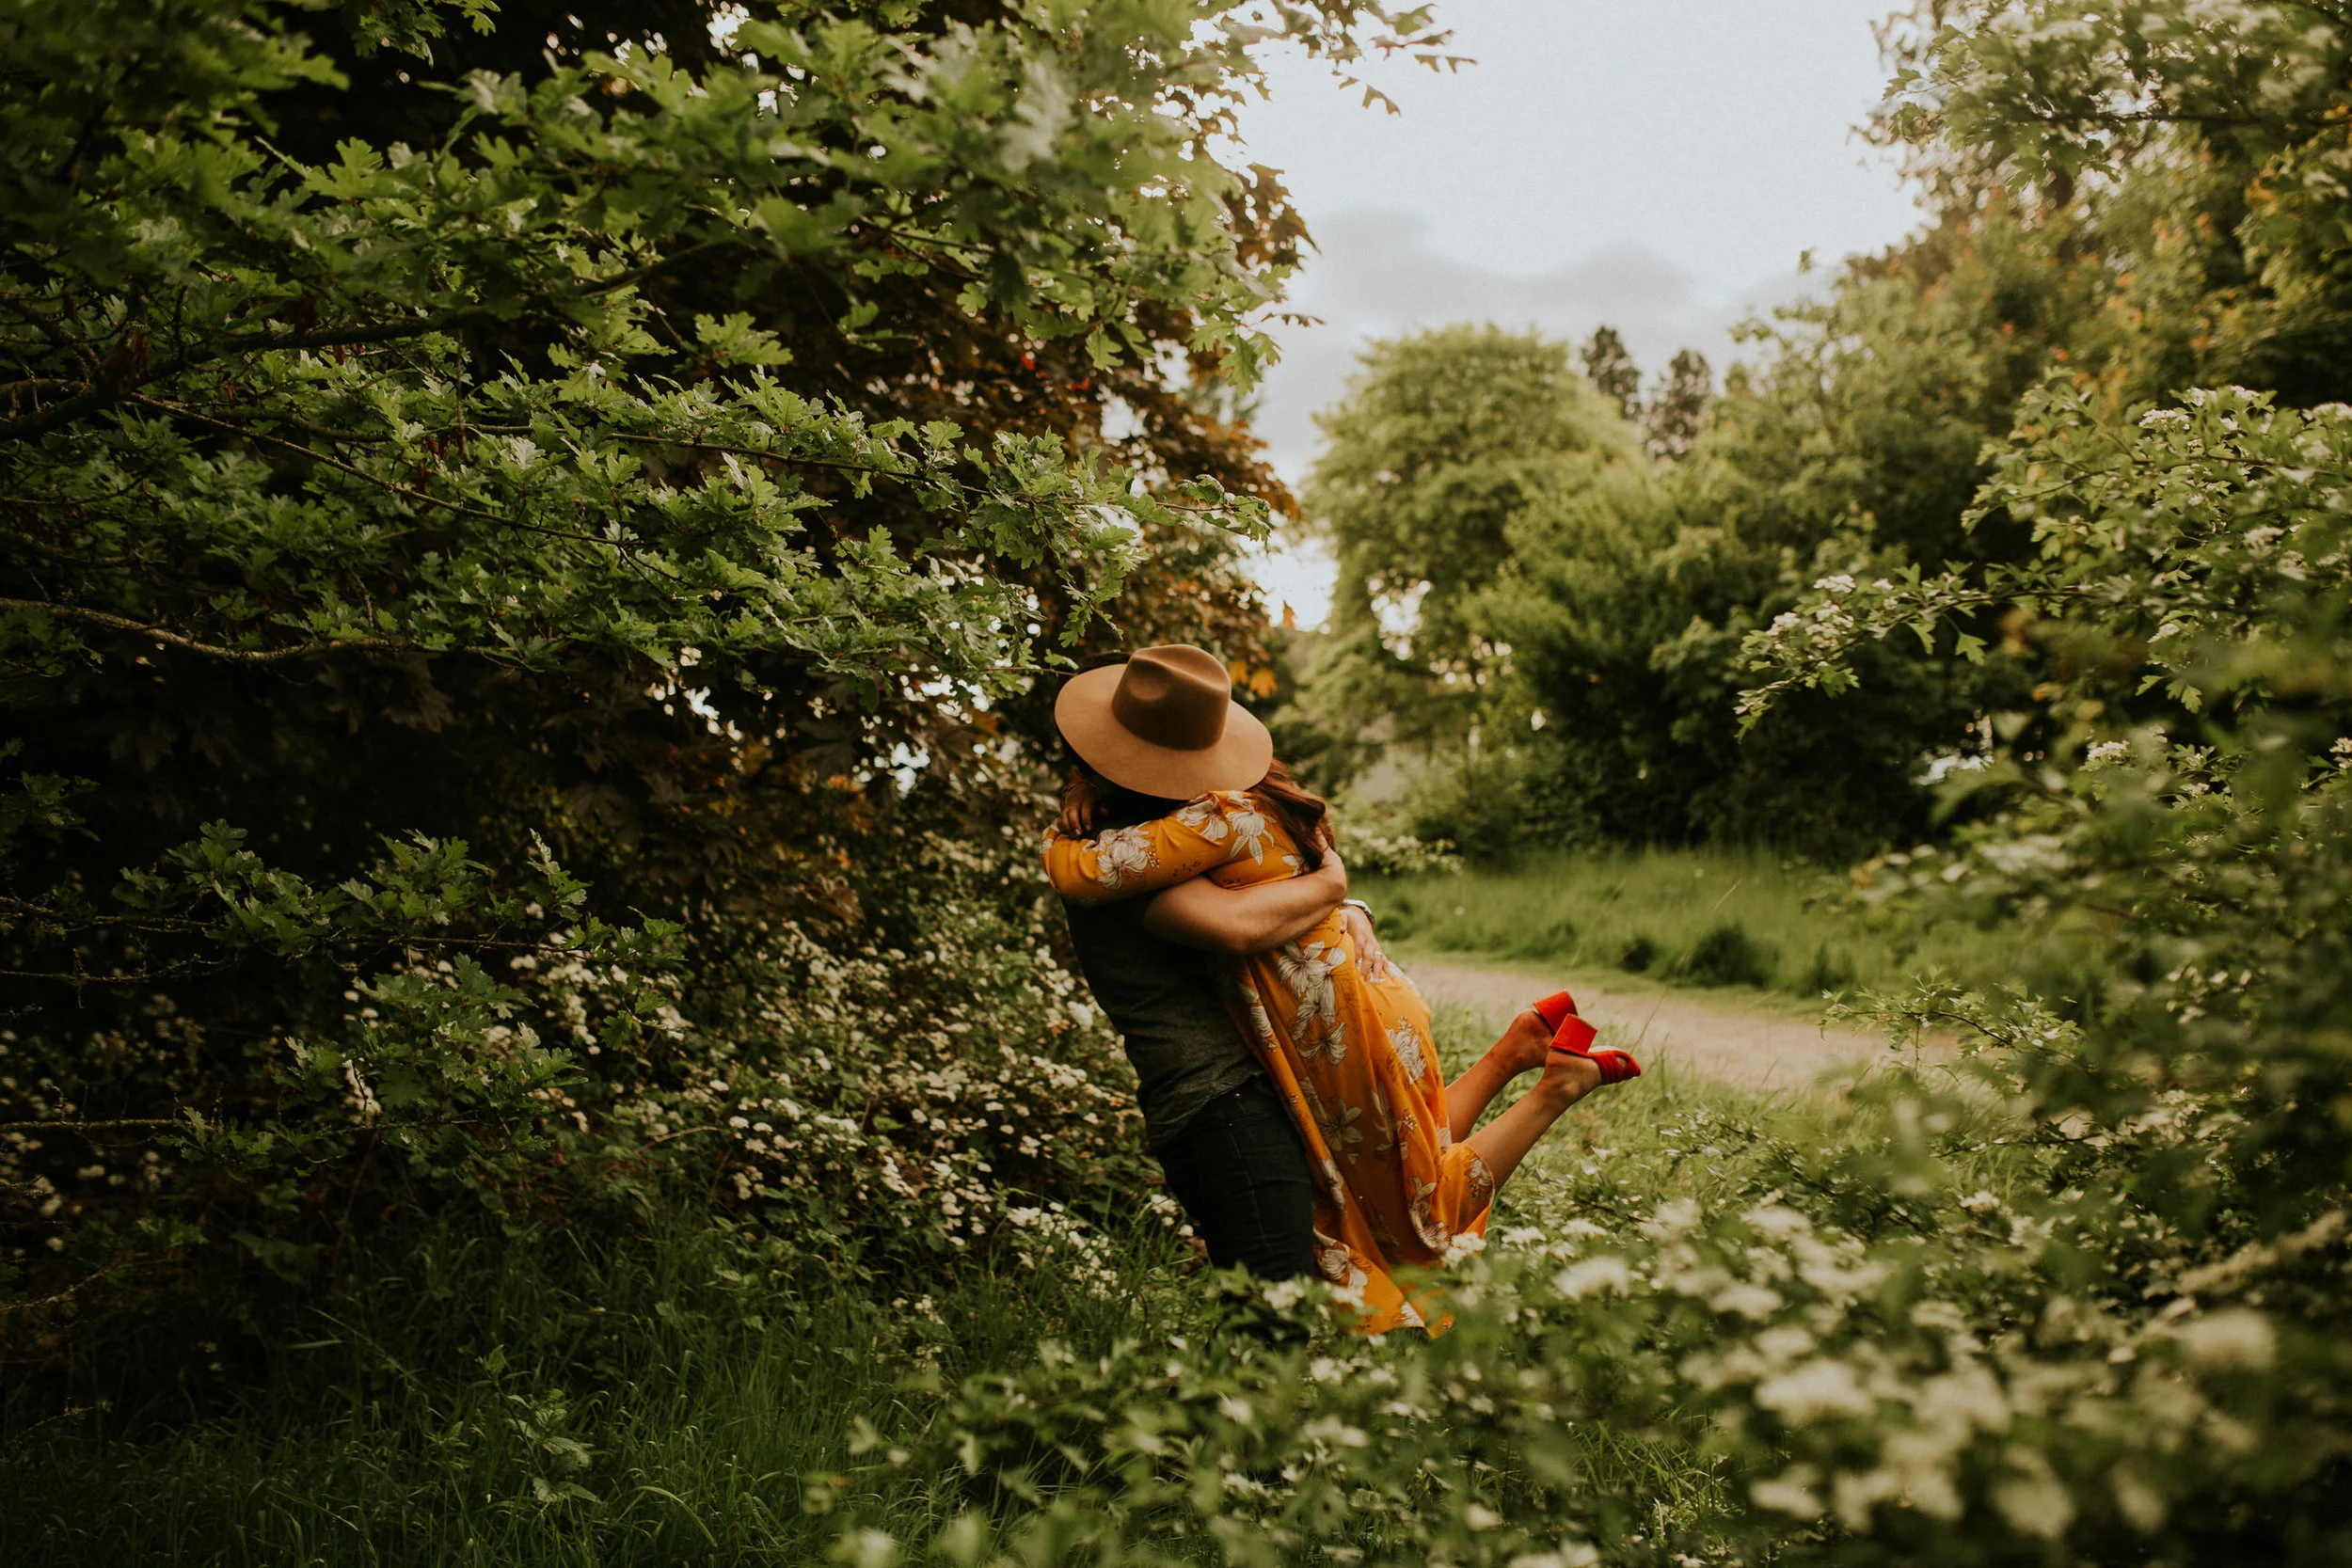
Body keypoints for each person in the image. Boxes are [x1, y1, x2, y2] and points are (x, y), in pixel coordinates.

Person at [1045, 645, 1640, 1334]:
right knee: (1402, 1168)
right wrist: (1337, 890)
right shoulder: (1241, 811)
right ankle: (1514, 1056)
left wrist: (1058, 829)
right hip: (1357, 1010)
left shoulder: (1190, 829)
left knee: (1417, 1213)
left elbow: (1089, 875)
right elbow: (1263, 904)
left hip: (1319, 1034)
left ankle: (1551, 1086)